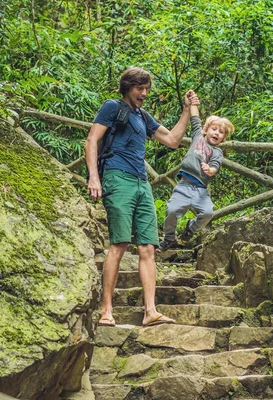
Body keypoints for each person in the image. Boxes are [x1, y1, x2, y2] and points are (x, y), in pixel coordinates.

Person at [85, 66, 199, 327]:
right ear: (127, 87)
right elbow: (92, 140)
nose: (144, 93)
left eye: (147, 89)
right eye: (140, 88)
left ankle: (150, 311)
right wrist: (94, 177)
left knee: (148, 247)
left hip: (141, 182)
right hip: (117, 176)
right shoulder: (112, 107)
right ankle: (106, 311)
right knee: (120, 243)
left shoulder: (143, 116)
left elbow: (172, 140)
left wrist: (185, 110)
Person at [159, 94, 234, 251]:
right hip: (184, 185)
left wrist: (210, 170)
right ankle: (169, 238)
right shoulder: (198, 136)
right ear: (206, 130)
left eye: (221, 132)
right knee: (171, 210)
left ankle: (190, 229)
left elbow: (215, 166)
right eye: (214, 129)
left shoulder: (217, 151)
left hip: (201, 190)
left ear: (223, 138)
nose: (216, 133)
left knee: (208, 213)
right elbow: (195, 118)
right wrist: (192, 101)